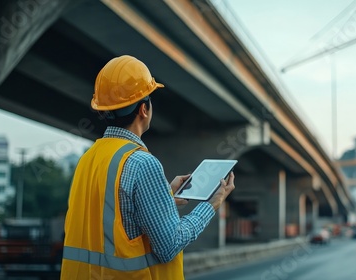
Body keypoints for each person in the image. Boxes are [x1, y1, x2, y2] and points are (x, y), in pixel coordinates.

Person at [60, 55, 235, 279]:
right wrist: (212, 204)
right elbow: (169, 246)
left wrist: (164, 196)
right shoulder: (142, 163)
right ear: (144, 109)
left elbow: (114, 219)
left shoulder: (88, 159)